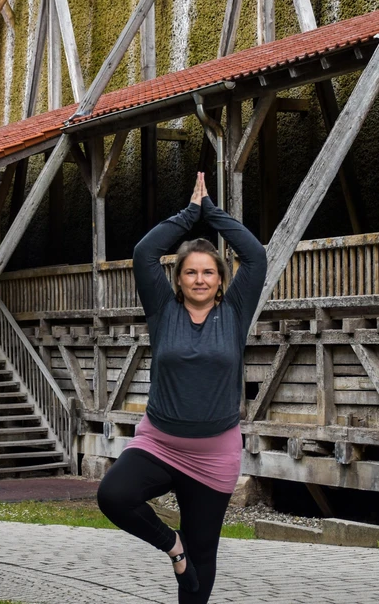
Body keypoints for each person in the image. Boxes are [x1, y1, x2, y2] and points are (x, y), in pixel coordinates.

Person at [96, 172, 266, 603]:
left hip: (214, 455)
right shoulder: (162, 310)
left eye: (209, 272)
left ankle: (188, 564)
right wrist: (189, 215)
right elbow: (145, 251)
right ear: (178, 279)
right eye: (190, 272)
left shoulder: (235, 312)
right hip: (159, 444)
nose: (200, 279)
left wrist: (213, 213)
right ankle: (173, 547)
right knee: (113, 495)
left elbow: (255, 255)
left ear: (222, 280)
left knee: (203, 556)